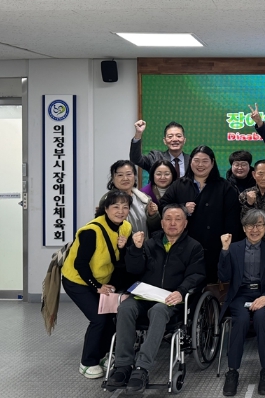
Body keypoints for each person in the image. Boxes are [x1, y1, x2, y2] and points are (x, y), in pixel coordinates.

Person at [106, 204, 205, 393]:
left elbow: (196, 275)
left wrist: (181, 291)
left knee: (158, 311)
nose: (172, 223)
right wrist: (136, 249)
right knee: (125, 308)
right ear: (161, 223)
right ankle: (122, 366)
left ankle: (142, 368)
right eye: (168, 219)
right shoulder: (149, 244)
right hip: (144, 296)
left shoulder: (194, 247)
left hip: (170, 299)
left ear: (185, 223)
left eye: (178, 219)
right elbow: (134, 270)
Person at [61, 190, 134, 379]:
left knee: (111, 317)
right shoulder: (91, 231)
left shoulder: (126, 227)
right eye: (115, 206)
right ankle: (87, 362)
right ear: (105, 209)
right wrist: (96, 287)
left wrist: (124, 247)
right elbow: (80, 264)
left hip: (103, 280)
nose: (120, 211)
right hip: (77, 280)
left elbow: (122, 261)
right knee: (98, 319)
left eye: (125, 207)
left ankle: (102, 356)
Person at [218, 210, 265, 397]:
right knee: (239, 320)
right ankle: (232, 371)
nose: (254, 230)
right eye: (250, 225)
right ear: (243, 228)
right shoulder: (234, 248)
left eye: (259, 225)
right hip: (240, 295)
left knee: (261, 318)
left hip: (264, 294)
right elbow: (223, 276)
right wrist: (224, 250)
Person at [160, 145, 241, 283]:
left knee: (210, 285)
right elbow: (163, 206)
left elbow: (233, 223)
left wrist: (227, 249)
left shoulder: (225, 187)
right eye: (196, 160)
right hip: (183, 248)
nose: (200, 165)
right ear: (190, 161)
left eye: (205, 161)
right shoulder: (179, 185)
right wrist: (182, 208)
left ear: (212, 163)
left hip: (215, 248)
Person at [101, 160, 160, 239]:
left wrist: (152, 215)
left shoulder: (144, 198)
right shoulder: (107, 200)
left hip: (144, 245)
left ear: (135, 176)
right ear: (113, 178)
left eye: (129, 174)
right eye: (120, 175)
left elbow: (154, 229)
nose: (125, 178)